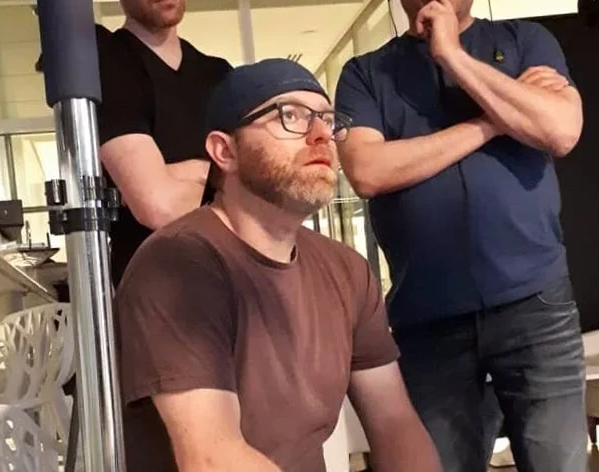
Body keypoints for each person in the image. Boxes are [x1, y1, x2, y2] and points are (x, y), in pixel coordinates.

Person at [334, 0, 587, 472]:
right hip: (428, 321)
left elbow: (561, 131)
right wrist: (495, 121)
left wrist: (452, 55)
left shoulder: (526, 42)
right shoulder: (365, 75)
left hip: (536, 305)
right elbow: (368, 171)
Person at [114, 58, 442, 472]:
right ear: (225, 151)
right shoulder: (177, 266)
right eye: (290, 116)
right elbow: (212, 457)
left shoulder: (347, 271)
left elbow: (394, 423)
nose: (321, 135)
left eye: (327, 120)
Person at [95, 0, 232, 285]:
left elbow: (262, 193)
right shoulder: (107, 61)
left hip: (230, 286)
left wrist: (181, 175)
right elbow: (157, 205)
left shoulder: (220, 75)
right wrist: (219, 178)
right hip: (155, 296)